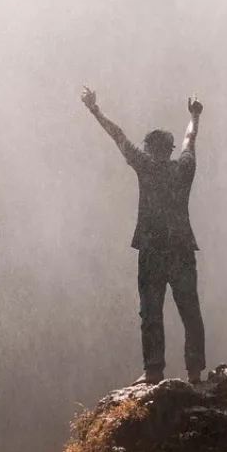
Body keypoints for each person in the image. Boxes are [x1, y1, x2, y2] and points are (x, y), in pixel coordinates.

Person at [81, 86, 206, 385]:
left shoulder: (146, 167)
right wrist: (194, 115)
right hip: (181, 247)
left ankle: (153, 369)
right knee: (190, 310)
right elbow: (190, 139)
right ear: (170, 150)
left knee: (151, 310)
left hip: (152, 249)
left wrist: (95, 110)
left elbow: (118, 136)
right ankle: (194, 370)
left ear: (149, 149)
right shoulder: (184, 169)